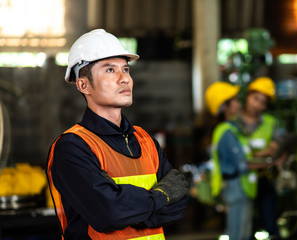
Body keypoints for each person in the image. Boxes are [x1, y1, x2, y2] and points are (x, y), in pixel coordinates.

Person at [46, 29, 189, 240]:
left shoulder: (145, 140)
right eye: (110, 70)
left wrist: (130, 208)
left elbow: (179, 204)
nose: (125, 79)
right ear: (83, 85)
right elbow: (108, 213)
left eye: (126, 69)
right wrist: (162, 197)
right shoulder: (72, 147)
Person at [205, 81, 276, 240]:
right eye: (235, 100)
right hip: (236, 189)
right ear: (225, 106)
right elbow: (243, 164)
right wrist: (271, 163)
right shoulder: (227, 133)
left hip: (240, 189)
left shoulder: (232, 130)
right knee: (238, 235)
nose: (239, 103)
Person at [239, 76, 286, 237]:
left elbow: (279, 147)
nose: (258, 105)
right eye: (255, 99)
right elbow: (234, 154)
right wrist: (261, 153)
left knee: (271, 225)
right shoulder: (233, 124)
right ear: (248, 96)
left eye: (263, 102)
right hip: (241, 182)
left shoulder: (270, 123)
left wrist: (274, 149)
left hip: (264, 180)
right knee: (244, 228)